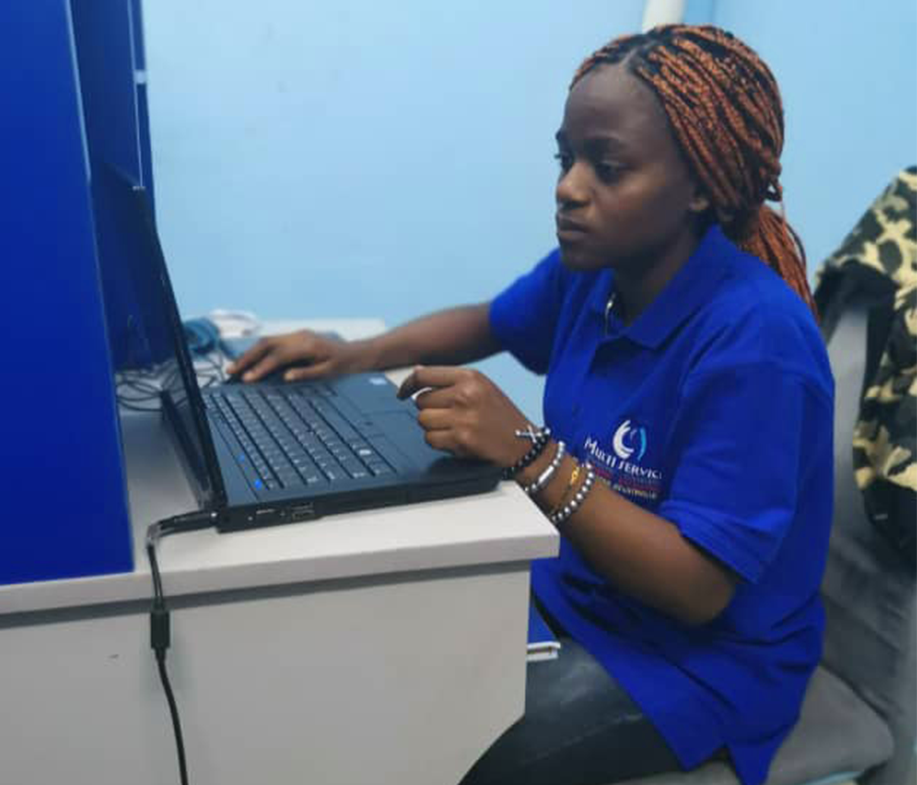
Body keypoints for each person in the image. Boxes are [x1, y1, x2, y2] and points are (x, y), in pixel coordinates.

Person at [227, 24, 834, 785]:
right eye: (565, 158)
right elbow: (490, 321)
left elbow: (696, 590)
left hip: (695, 665)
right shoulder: (601, 269)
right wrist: (354, 355)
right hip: (571, 593)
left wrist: (529, 454)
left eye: (607, 168)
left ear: (701, 186)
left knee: (440, 749)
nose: (568, 187)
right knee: (358, 668)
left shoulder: (758, 342)